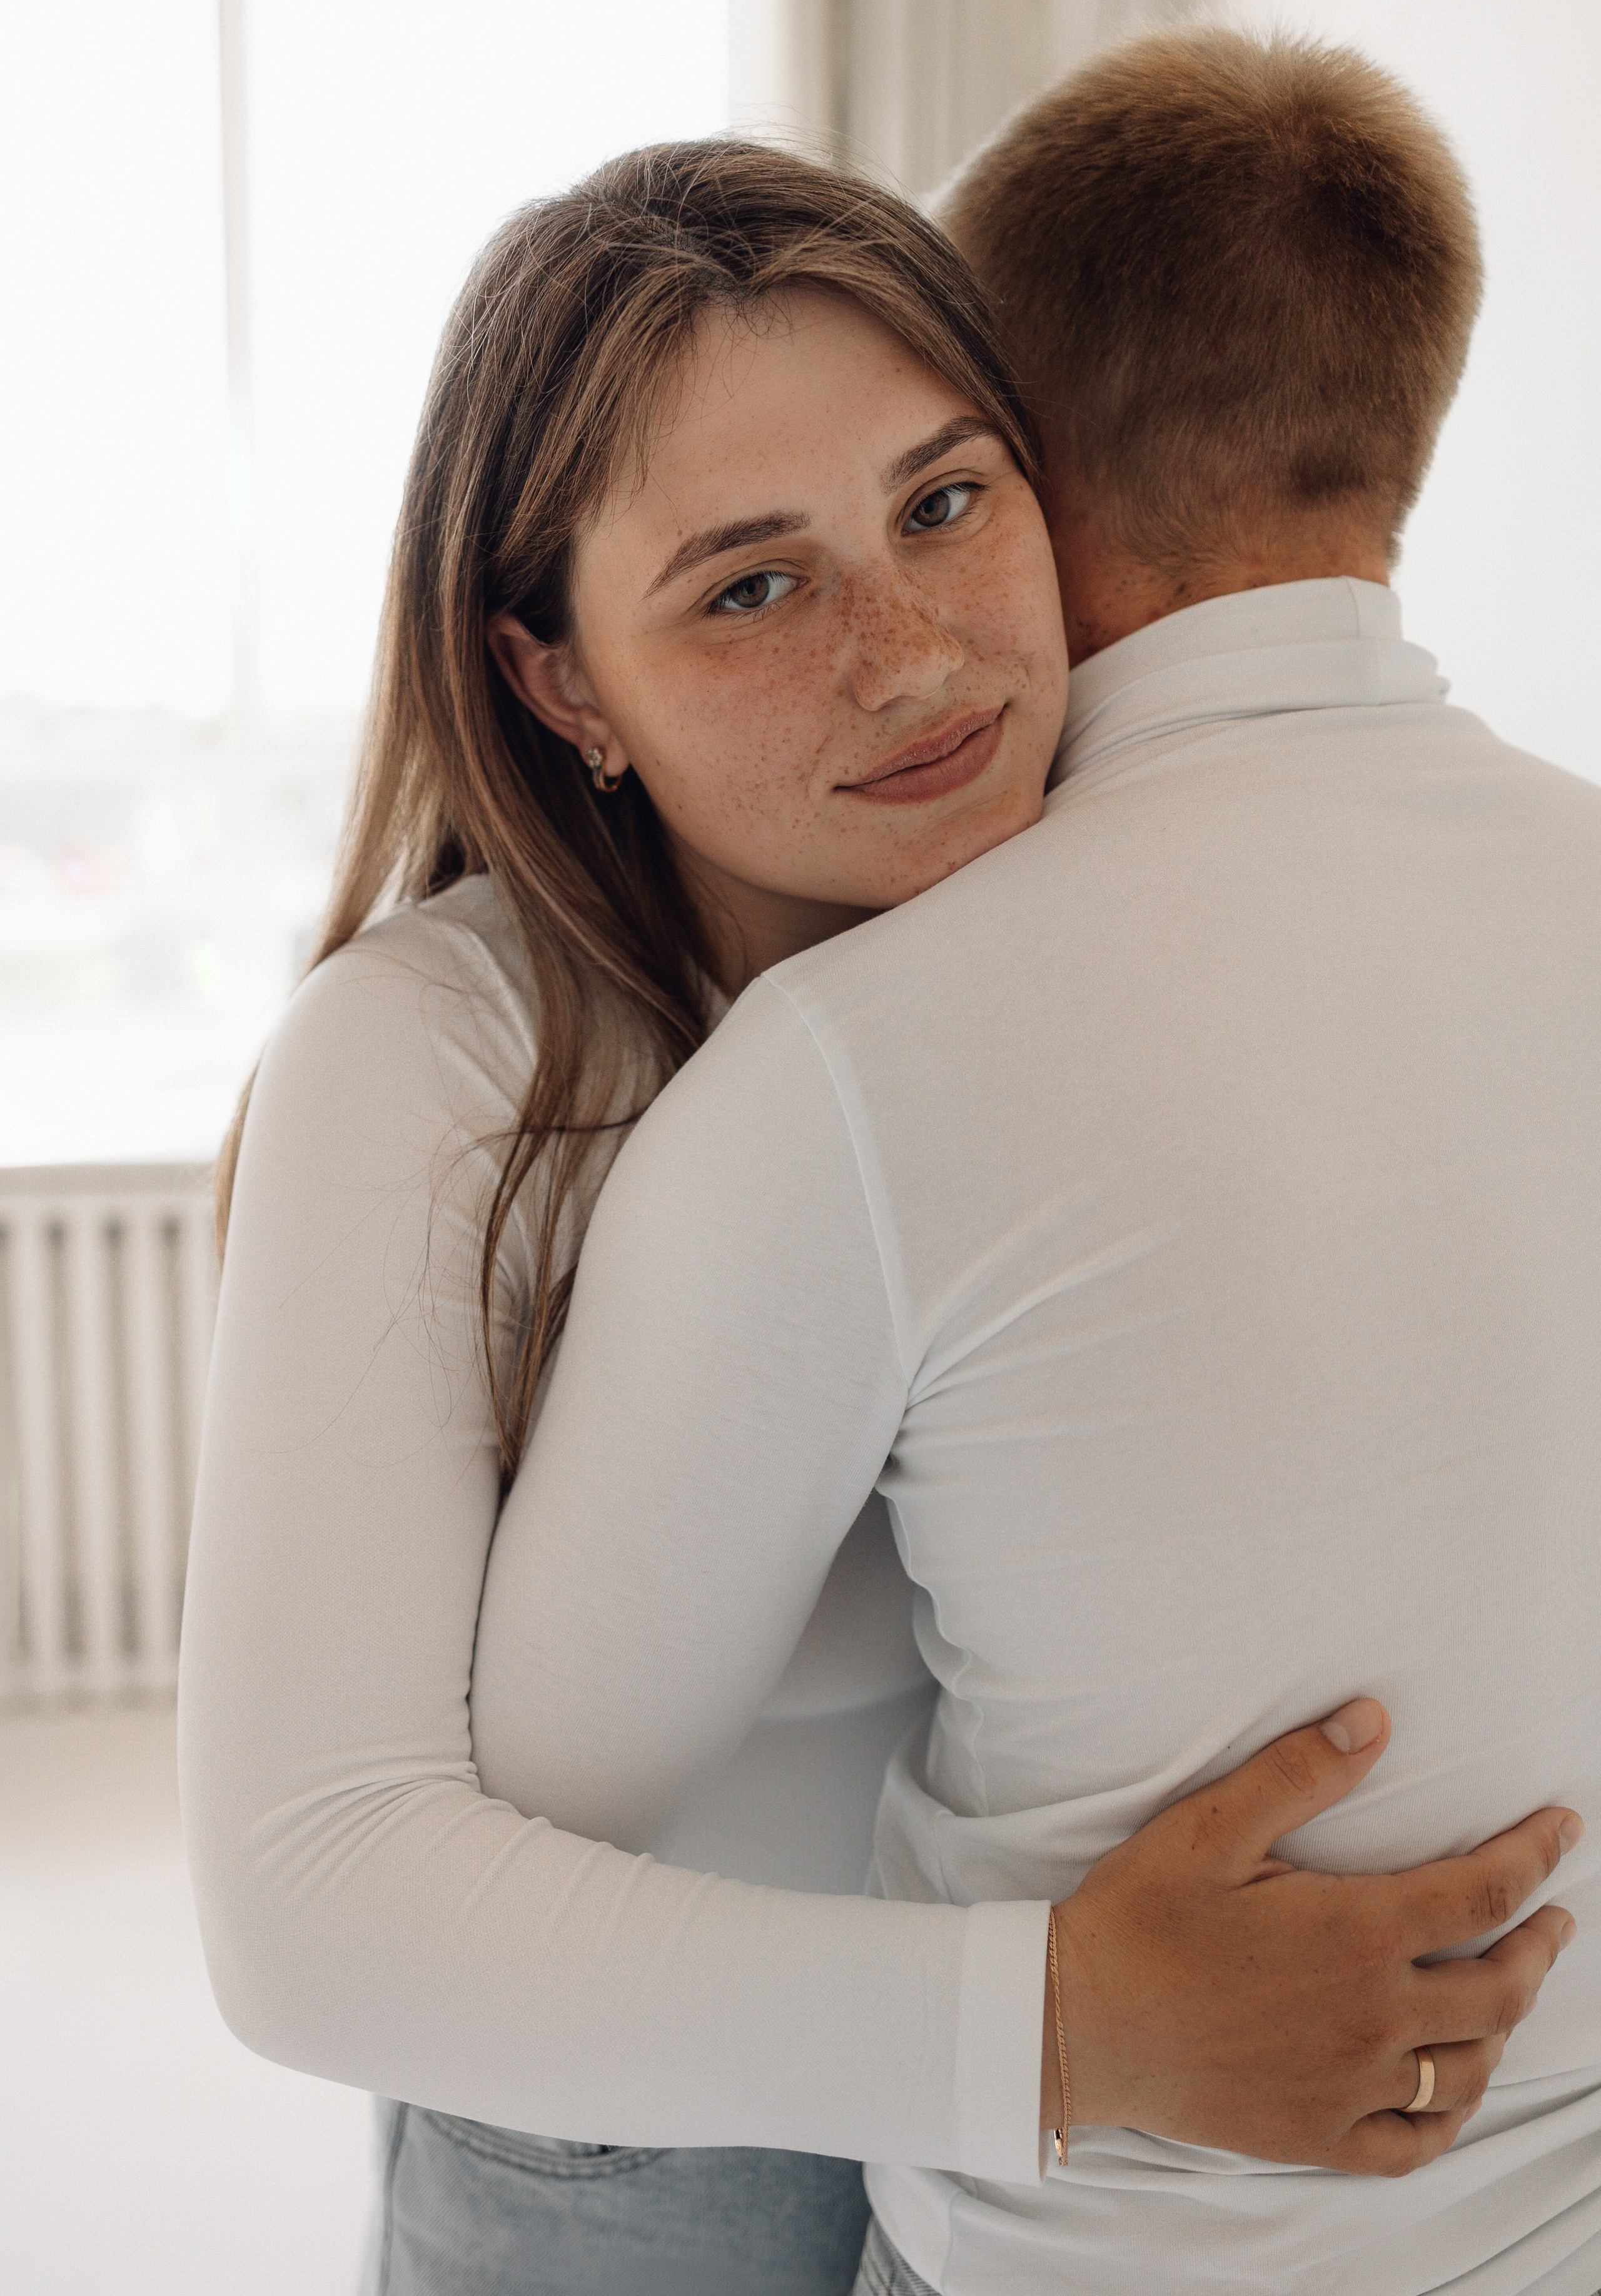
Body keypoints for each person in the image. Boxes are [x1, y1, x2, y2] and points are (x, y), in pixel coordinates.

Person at [179, 129, 1574, 2296]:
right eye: (751, 587)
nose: (915, 657)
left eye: (944, 504)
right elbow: (311, 1910)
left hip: (1097, 2141)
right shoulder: (432, 1054)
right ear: (563, 682)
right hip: (649, 2140)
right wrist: (1065, 2027)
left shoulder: (1090, 931)